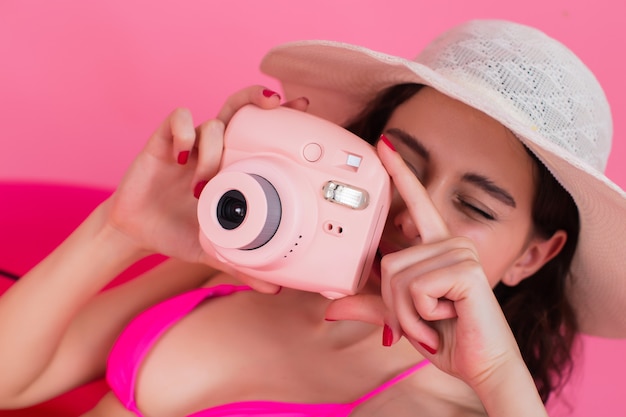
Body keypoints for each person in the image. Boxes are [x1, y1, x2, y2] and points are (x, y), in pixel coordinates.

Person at [0, 19, 623, 417]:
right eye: (398, 162)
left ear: (533, 254)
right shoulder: (238, 273)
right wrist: (119, 230)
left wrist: (496, 376)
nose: (413, 213)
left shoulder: (429, 406)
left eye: (474, 205)